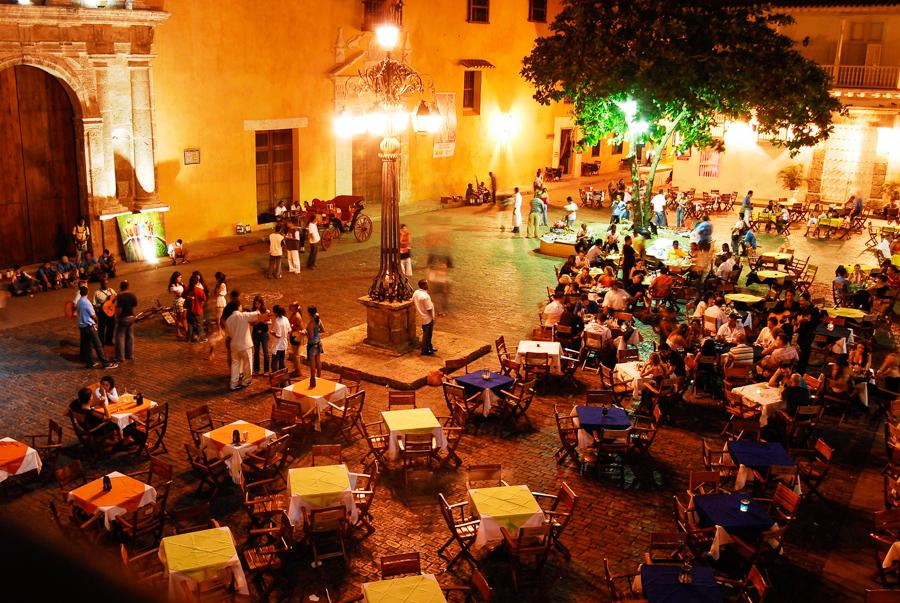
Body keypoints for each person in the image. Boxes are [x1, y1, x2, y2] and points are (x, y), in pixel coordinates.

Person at [225, 294, 267, 391]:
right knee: (247, 364)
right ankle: (246, 381)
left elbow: (229, 334)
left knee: (235, 365)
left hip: (234, 345)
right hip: (245, 344)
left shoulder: (228, 320)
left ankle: (233, 384)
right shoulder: (243, 316)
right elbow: (256, 314)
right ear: (238, 307)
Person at [76, 285, 117, 370]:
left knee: (87, 346)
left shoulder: (79, 301)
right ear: (87, 292)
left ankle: (89, 363)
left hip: (82, 327)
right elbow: (93, 316)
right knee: (98, 345)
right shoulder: (87, 303)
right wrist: (97, 322)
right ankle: (105, 363)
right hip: (89, 327)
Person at [114, 280, 138, 363]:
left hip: (123, 318)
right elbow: (134, 306)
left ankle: (120, 357)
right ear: (128, 286)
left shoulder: (120, 296)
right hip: (131, 317)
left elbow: (119, 309)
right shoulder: (132, 295)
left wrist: (116, 318)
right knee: (130, 336)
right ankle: (130, 355)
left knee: (120, 337)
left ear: (121, 287)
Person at [412, 280, 436, 356]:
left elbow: (412, 300)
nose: (428, 285)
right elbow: (429, 308)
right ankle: (425, 350)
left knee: (427, 333)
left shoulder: (416, 293)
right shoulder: (425, 297)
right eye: (426, 284)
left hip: (420, 316)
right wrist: (433, 317)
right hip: (427, 318)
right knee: (427, 334)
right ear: (423, 286)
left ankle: (429, 347)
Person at [93, 276, 117, 347]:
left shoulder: (111, 290)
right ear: (100, 284)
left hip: (111, 312)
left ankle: (109, 340)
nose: (105, 285)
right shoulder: (97, 293)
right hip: (102, 313)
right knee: (101, 328)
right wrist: (97, 309)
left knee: (111, 326)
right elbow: (94, 304)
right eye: (103, 284)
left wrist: (113, 302)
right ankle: (101, 342)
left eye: (106, 283)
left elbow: (116, 298)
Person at [185, 274, 208, 343]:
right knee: (199, 324)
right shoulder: (199, 290)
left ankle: (189, 339)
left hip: (189, 311)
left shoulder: (187, 288)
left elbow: (183, 296)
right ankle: (201, 338)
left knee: (190, 325)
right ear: (197, 282)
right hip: (197, 310)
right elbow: (204, 298)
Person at [251, 295, 270, 375]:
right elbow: (251, 323)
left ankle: (266, 370)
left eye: (258, 304)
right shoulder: (253, 311)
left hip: (264, 333)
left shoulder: (266, 311)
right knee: (256, 352)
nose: (257, 305)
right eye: (255, 304)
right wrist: (258, 321)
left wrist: (264, 321)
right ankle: (256, 370)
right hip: (256, 333)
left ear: (261, 304)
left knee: (266, 352)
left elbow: (270, 322)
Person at [270, 305, 290, 373]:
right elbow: (289, 330)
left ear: (276, 313)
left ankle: (275, 379)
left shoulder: (277, 321)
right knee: (282, 362)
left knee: (274, 364)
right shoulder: (285, 319)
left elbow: (278, 335)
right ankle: (283, 379)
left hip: (278, 345)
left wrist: (271, 333)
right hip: (284, 344)